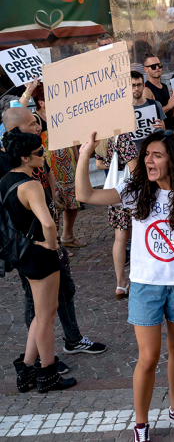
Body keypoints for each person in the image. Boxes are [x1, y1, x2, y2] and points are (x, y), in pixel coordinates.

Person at [76, 130, 174, 441]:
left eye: (156, 155)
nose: (147, 160)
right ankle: (141, 423)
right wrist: (85, 154)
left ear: (172, 160)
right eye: (147, 154)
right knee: (148, 357)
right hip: (145, 287)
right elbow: (85, 195)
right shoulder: (135, 190)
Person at [2, 105, 106, 367]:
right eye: (32, 124)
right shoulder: (14, 166)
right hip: (34, 248)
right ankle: (43, 362)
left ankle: (49, 353)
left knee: (61, 294)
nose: (38, 128)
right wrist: (51, 245)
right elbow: (42, 221)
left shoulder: (30, 159)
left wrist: (52, 191)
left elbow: (44, 178)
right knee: (39, 311)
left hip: (35, 246)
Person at [3, 129, 77, 393]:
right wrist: (53, 244)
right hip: (40, 254)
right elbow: (47, 222)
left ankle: (26, 368)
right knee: (47, 315)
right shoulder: (31, 185)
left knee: (39, 313)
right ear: (24, 158)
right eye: (38, 153)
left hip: (23, 254)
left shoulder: (5, 181)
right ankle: (48, 374)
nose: (43, 155)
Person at [24, 83, 84, 250]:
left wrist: (78, 159)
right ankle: (56, 242)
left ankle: (68, 235)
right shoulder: (35, 119)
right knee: (54, 205)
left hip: (68, 166)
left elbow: (71, 140)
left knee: (73, 202)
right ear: (41, 102)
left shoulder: (62, 115)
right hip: (48, 169)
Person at [94, 133, 138, 299]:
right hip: (131, 193)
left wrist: (114, 163)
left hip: (114, 192)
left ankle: (121, 283)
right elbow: (135, 170)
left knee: (120, 239)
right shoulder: (123, 138)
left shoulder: (102, 139)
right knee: (139, 236)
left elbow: (98, 165)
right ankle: (137, 279)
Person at [142, 54, 174, 131]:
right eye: (153, 66)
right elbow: (149, 116)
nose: (157, 68)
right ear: (145, 69)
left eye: (159, 65)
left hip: (171, 129)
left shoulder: (164, 86)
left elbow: (172, 114)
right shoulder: (146, 90)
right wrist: (168, 106)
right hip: (160, 133)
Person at [129, 71, 167, 150]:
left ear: (143, 86)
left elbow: (163, 130)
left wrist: (161, 128)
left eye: (139, 85)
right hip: (132, 157)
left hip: (152, 152)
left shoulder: (155, 104)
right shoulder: (123, 110)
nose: (136, 89)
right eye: (133, 85)